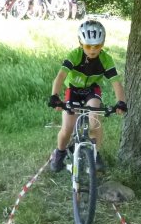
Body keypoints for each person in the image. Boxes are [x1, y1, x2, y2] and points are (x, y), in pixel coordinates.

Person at [48, 20, 127, 173]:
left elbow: (116, 82)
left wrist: (121, 102)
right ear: (80, 43)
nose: (92, 50)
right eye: (88, 46)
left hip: (92, 90)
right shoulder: (75, 55)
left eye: (97, 46)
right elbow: (60, 76)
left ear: (102, 44)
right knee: (67, 128)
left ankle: (95, 154)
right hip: (73, 91)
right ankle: (60, 152)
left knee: (94, 122)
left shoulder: (105, 59)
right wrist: (55, 97)